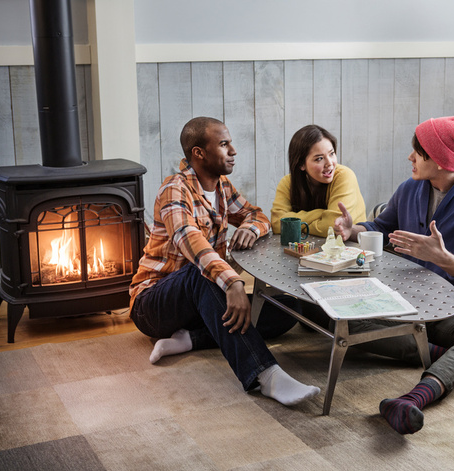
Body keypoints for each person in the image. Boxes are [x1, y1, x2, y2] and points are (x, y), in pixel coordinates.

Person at [129, 116, 320, 407]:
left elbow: (257, 215)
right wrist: (232, 281)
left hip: (202, 300)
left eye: (230, 143)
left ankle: (190, 339)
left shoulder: (221, 187)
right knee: (200, 274)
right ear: (199, 153)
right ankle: (266, 375)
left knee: (286, 308)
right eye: (223, 144)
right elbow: (187, 238)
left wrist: (248, 227)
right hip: (153, 303)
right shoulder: (174, 189)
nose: (233, 150)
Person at [334, 116, 454, 434]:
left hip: (451, 312)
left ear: (439, 160)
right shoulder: (410, 188)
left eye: (417, 152)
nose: (410, 157)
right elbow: (382, 228)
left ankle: (412, 400)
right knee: (336, 317)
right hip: (400, 303)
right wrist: (353, 229)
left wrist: (446, 259)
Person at [271, 124, 367, 238]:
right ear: (301, 164)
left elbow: (331, 227)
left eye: (331, 154)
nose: (330, 163)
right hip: (307, 249)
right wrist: (321, 213)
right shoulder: (288, 183)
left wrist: (293, 223)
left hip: (349, 249)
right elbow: (277, 224)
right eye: (319, 158)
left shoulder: (345, 176)